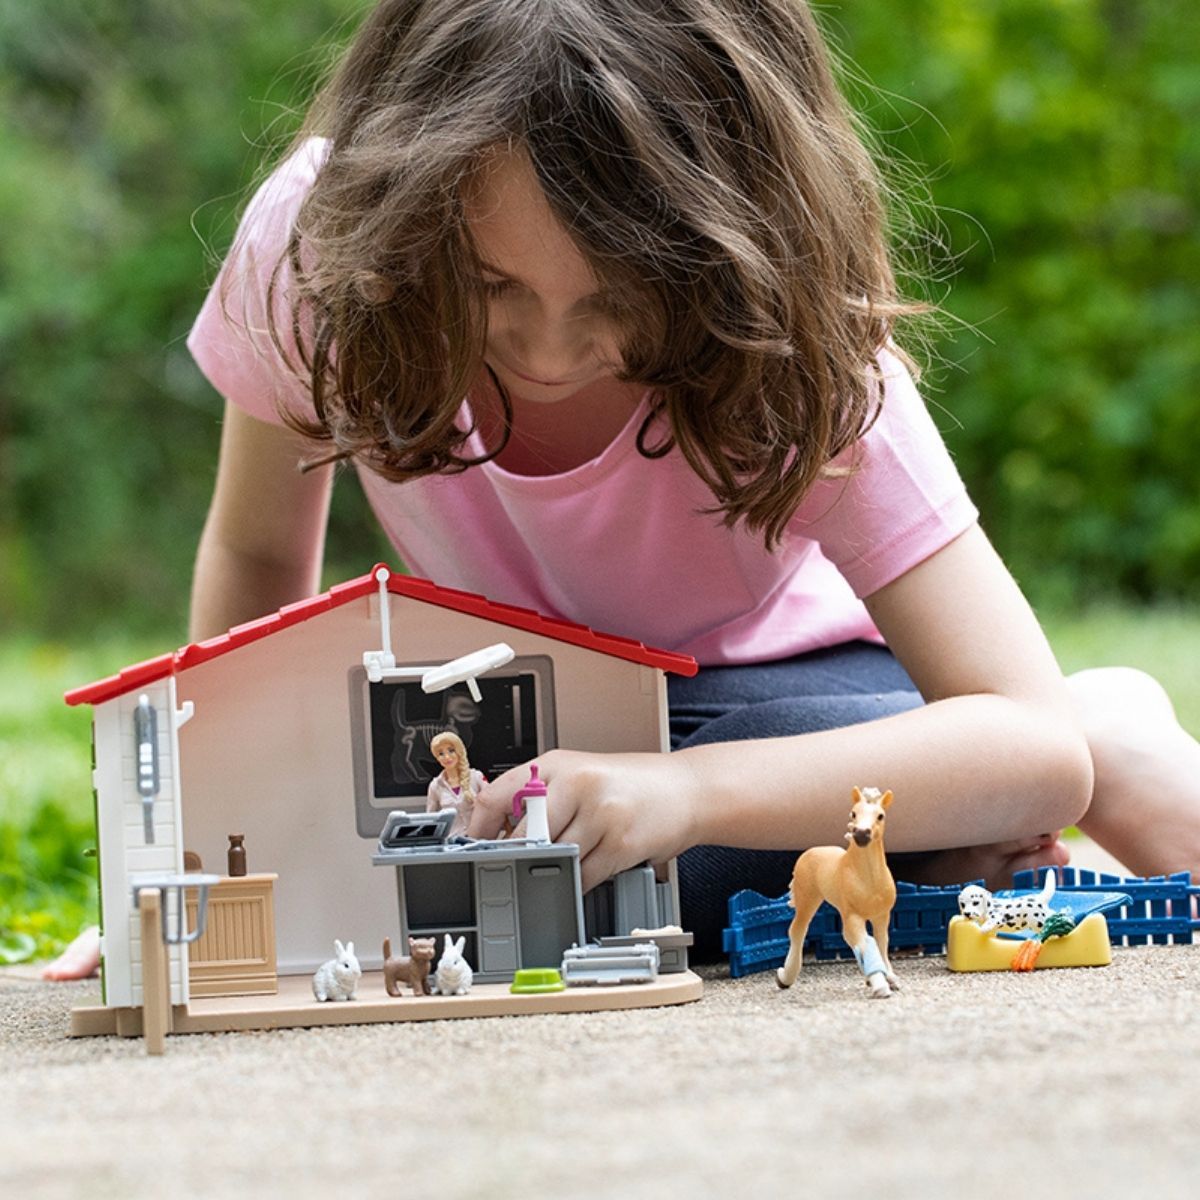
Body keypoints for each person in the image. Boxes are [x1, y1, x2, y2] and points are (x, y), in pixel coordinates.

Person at [42, 0, 1200, 977]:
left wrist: (687, 793)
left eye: (612, 300)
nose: (548, 352)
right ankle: (948, 840)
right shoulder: (326, 250)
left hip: (779, 702)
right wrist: (195, 864)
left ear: (730, 247)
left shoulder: (794, 345)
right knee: (449, 868)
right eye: (492, 285)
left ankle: (1064, 753)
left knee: (640, 864)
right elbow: (255, 559)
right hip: (534, 723)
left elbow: (1030, 740)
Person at [426, 731, 486, 837]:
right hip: (452, 841)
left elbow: (494, 804)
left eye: (451, 751)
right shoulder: (435, 785)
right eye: (441, 753)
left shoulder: (476, 777)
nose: (447, 757)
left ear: (459, 751)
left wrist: (507, 830)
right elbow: (430, 818)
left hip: (479, 839)